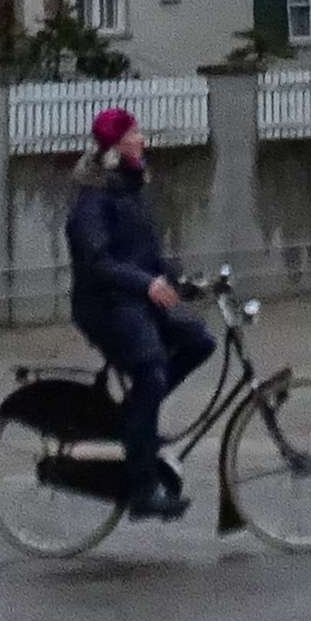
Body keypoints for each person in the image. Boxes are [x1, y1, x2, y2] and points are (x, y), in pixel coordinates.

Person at [63, 103, 208, 521]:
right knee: (151, 372)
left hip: (135, 300)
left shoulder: (131, 190)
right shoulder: (93, 199)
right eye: (135, 133)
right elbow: (98, 263)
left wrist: (183, 280)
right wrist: (147, 283)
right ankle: (143, 491)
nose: (142, 139)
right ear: (116, 146)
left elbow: (147, 254)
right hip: (105, 305)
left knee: (200, 341)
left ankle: (135, 420)